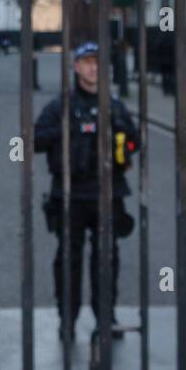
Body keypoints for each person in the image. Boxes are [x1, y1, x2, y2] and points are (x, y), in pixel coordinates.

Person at [33, 40, 139, 342]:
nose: (94, 67)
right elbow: (36, 140)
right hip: (70, 195)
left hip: (109, 193)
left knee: (106, 260)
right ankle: (67, 319)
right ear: (76, 67)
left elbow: (134, 141)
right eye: (88, 62)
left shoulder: (114, 106)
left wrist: (123, 142)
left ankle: (106, 318)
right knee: (68, 260)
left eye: (98, 62)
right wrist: (65, 131)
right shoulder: (61, 106)